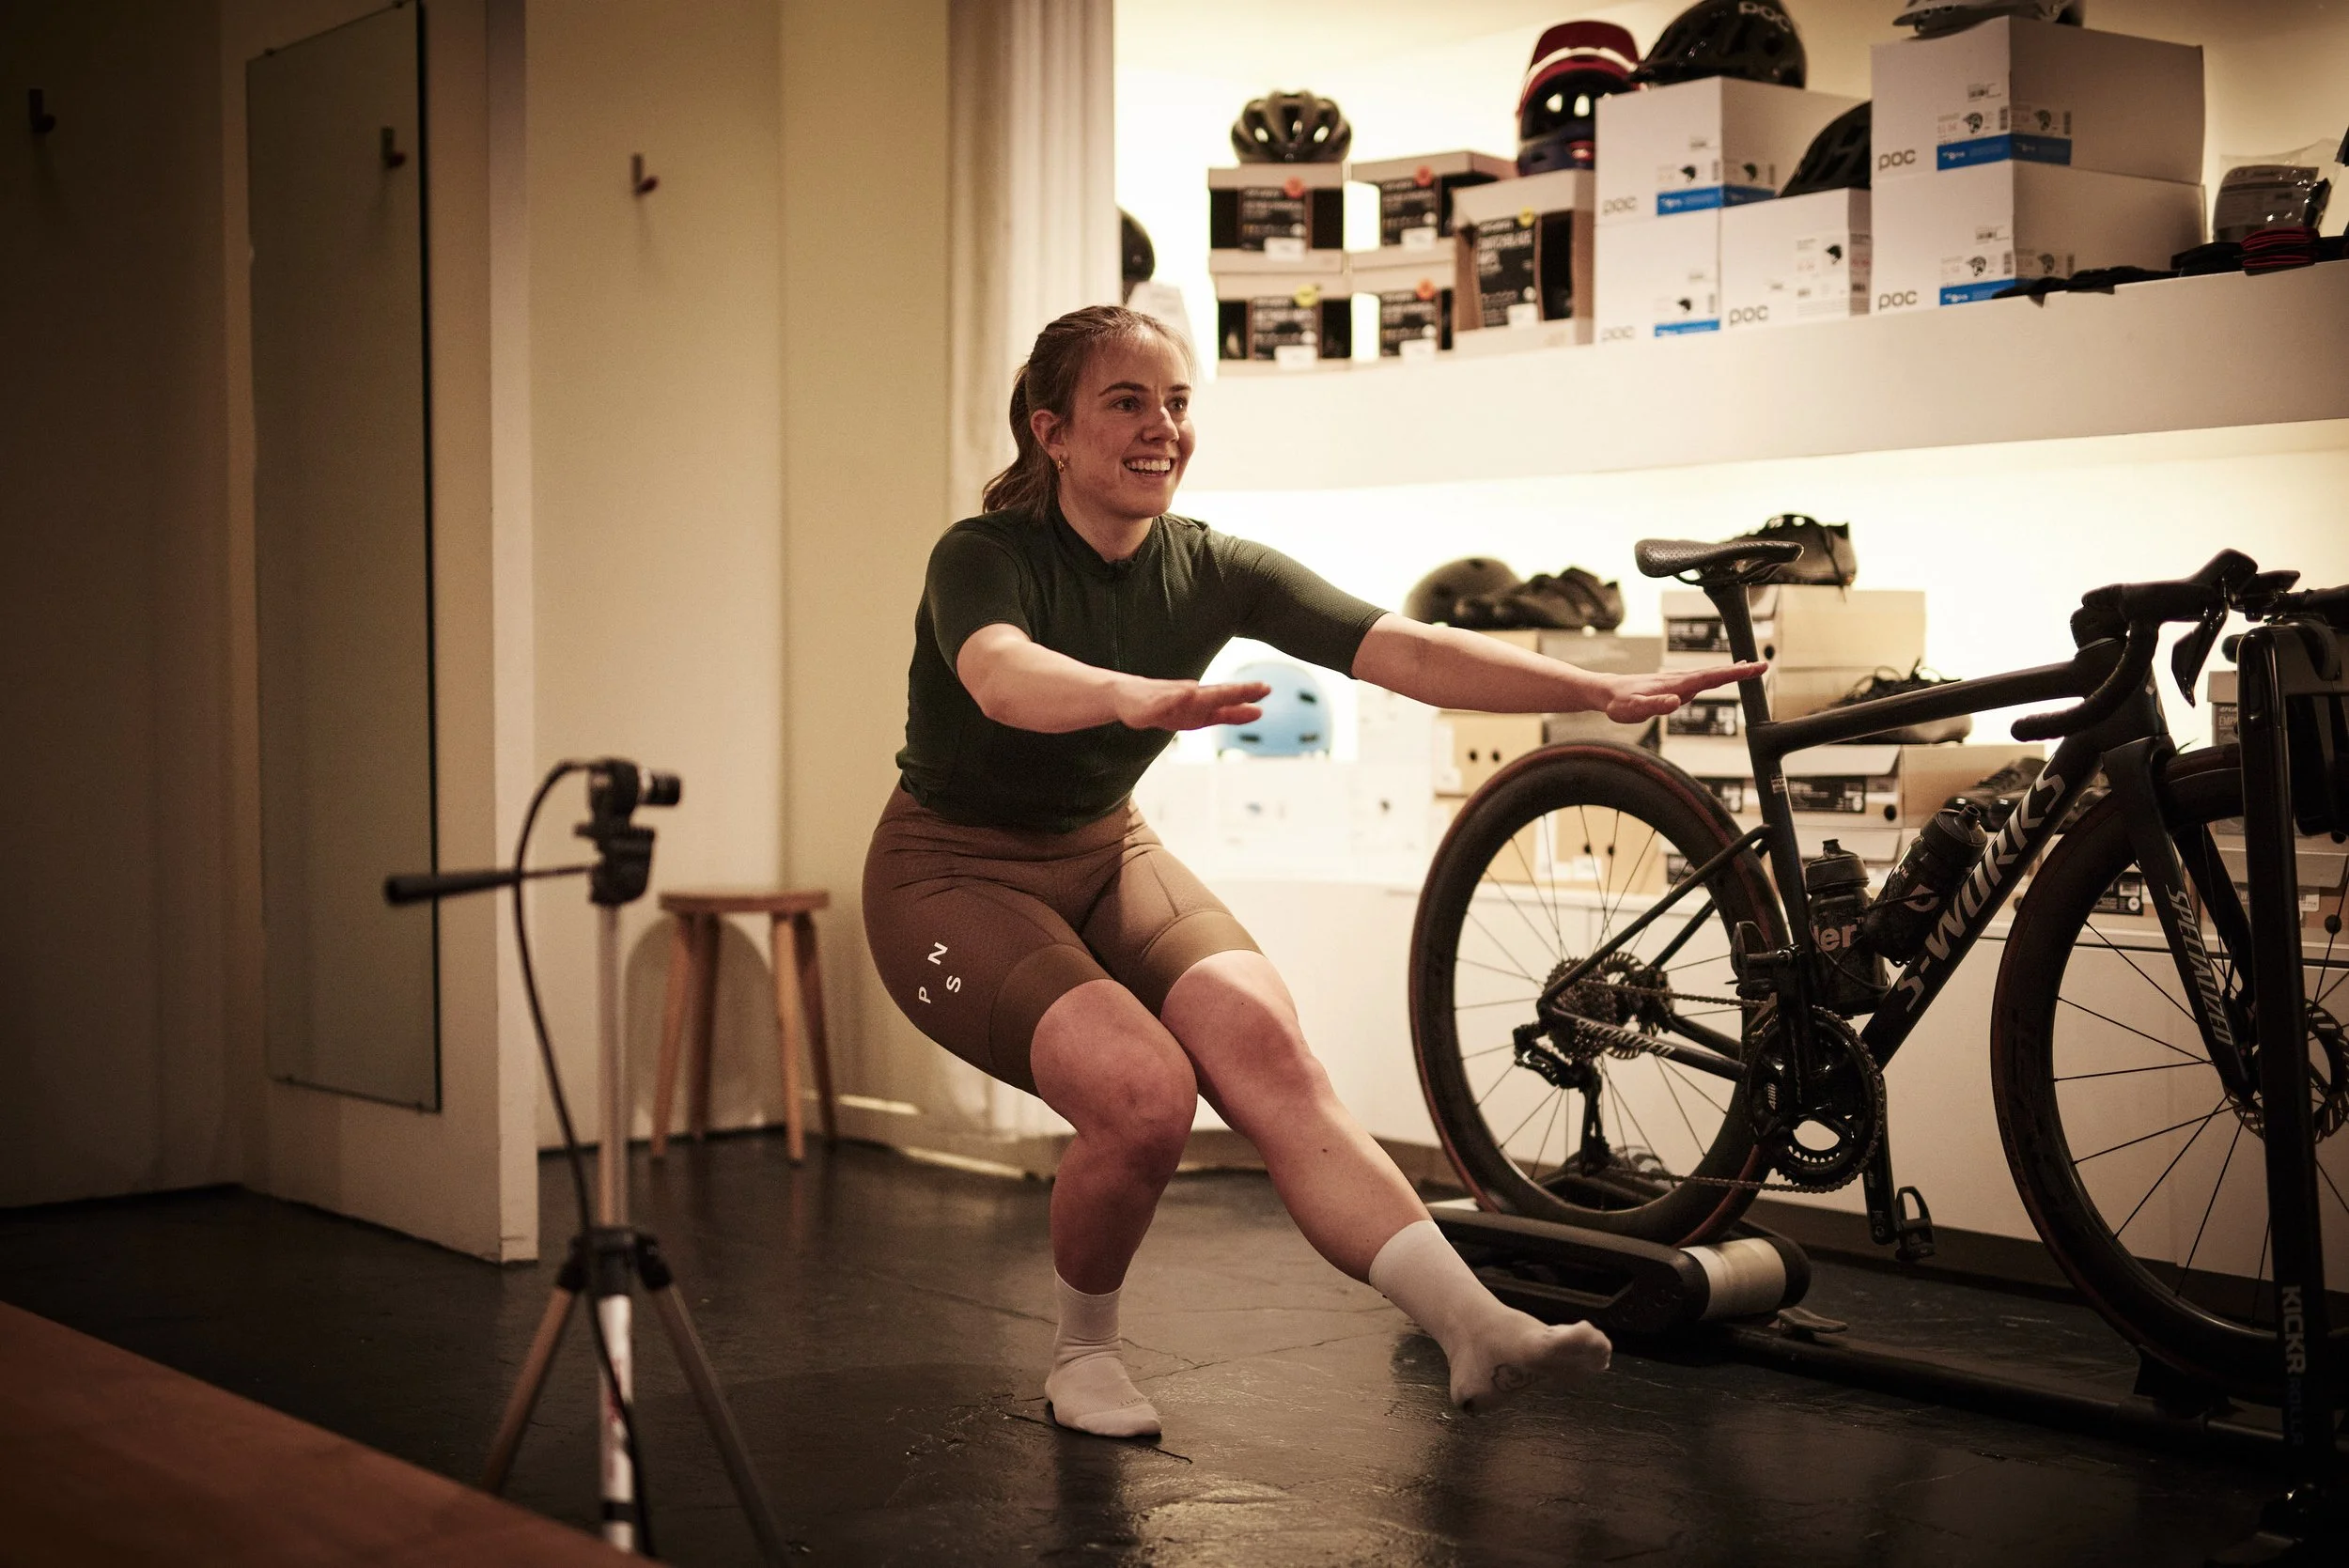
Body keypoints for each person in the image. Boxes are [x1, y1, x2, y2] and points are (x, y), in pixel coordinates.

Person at [863, 304, 1763, 1439]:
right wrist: (1127, 694)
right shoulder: (983, 555)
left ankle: (1473, 1325)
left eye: (1178, 402)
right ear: (1051, 431)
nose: (1163, 428)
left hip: (1105, 849)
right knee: (1143, 1096)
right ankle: (1082, 1354)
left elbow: (1409, 649)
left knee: (1271, 1053)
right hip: (949, 875)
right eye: (1127, 402)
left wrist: (1587, 686)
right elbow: (999, 675)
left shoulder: (1214, 568)